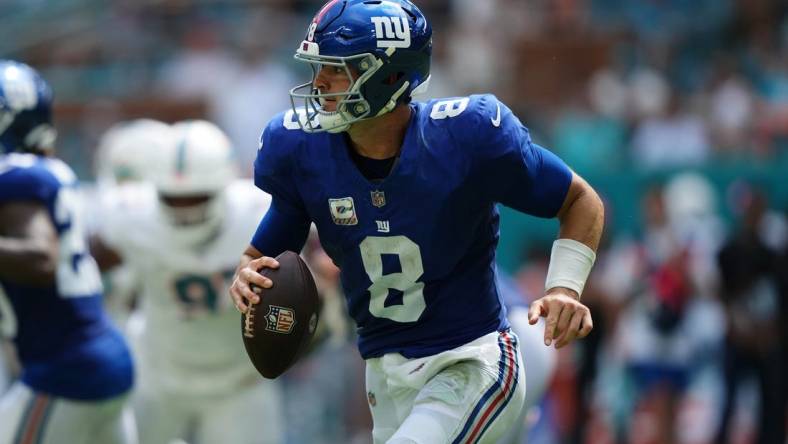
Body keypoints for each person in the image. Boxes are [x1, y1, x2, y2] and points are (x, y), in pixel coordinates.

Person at [229, 1, 604, 442]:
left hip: (470, 361)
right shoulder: (300, 150)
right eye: (318, 67)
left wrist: (564, 286)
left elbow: (580, 199)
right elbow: (268, 250)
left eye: (338, 69)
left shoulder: (467, 137)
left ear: (390, 76)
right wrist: (248, 270)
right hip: (385, 377)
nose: (319, 83)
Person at [91, 120, 284, 444]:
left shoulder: (258, 212)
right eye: (173, 197)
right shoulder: (130, 215)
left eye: (195, 197)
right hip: (159, 378)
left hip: (239, 383)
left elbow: (322, 252)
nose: (184, 209)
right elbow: (87, 264)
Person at [0, 60, 136, 444]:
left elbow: (39, 258)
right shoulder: (48, 172)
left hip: (66, 373)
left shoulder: (16, 178)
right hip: (97, 359)